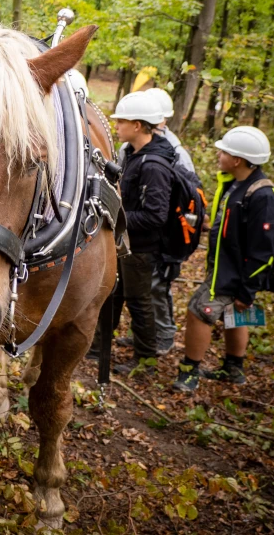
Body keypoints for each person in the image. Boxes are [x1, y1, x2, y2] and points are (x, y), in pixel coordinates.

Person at [174, 127, 274, 393]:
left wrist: (247, 290)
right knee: (237, 315)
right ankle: (234, 368)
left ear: (238, 159)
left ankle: (190, 372)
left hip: (234, 275)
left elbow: (263, 251)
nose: (219, 154)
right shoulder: (237, 185)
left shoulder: (263, 196)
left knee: (198, 311)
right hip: (226, 268)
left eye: (224, 151)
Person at [109, 91, 177, 374]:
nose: (116, 127)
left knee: (139, 301)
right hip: (128, 243)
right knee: (113, 295)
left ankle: (146, 359)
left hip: (141, 249)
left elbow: (155, 215)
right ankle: (98, 346)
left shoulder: (154, 165)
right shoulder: (135, 155)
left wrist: (116, 217)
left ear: (137, 125)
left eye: (121, 121)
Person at [143, 87, 196, 174]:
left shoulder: (179, 155)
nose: (152, 123)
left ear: (165, 120)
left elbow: (192, 186)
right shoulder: (128, 148)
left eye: (158, 118)